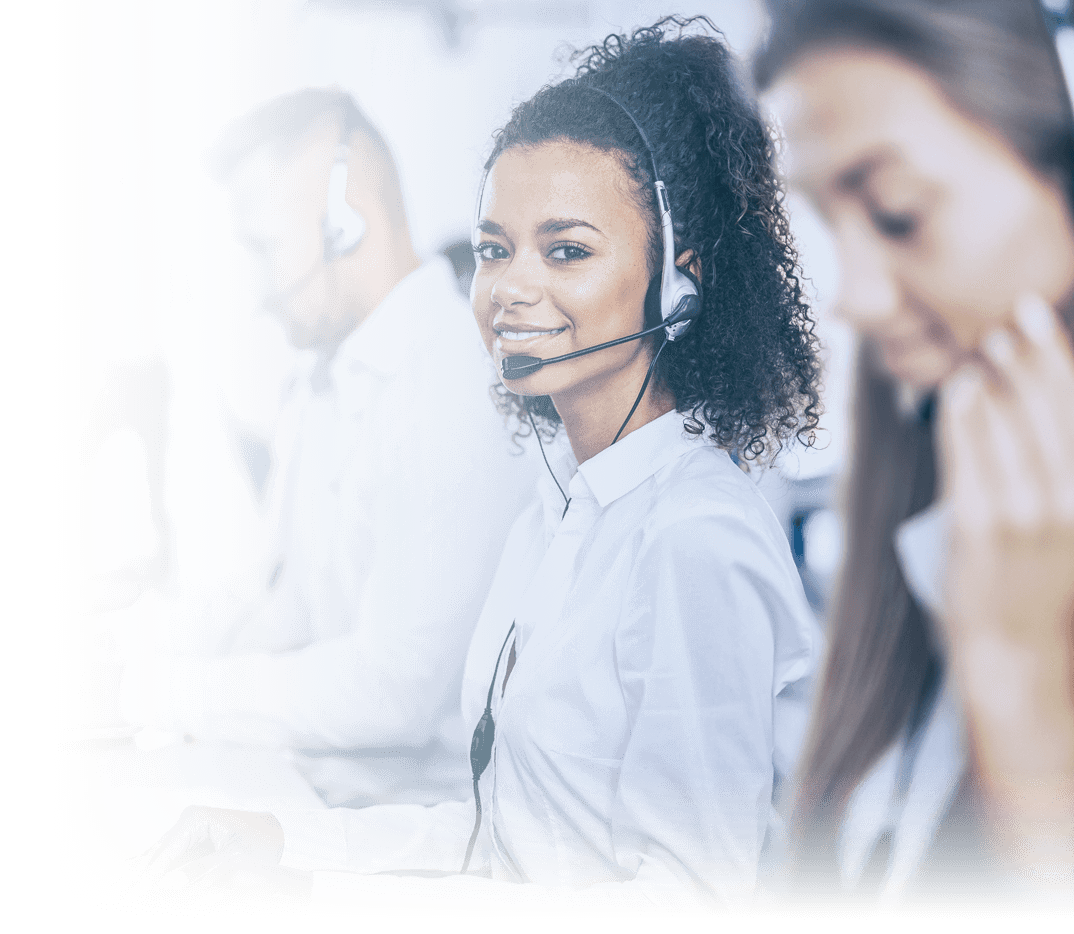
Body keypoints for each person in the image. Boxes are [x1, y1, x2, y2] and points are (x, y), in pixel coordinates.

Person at [125, 17, 825, 915]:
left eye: (565, 250)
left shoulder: (696, 536)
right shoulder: (561, 510)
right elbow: (501, 839)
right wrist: (285, 838)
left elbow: (690, 902)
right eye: (496, 249)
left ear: (676, 284)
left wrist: (318, 892)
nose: (508, 289)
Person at [753, 0, 1074, 909]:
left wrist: (1019, 673)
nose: (859, 300)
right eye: (831, 226)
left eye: (897, 214)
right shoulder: (924, 495)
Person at [104, 88, 541, 811]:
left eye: (263, 248)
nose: (255, 292)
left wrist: (169, 690)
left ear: (345, 223)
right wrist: (131, 647)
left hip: (415, 830)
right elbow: (283, 601)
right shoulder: (320, 377)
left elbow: (394, 687)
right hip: (315, 788)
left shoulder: (453, 387)